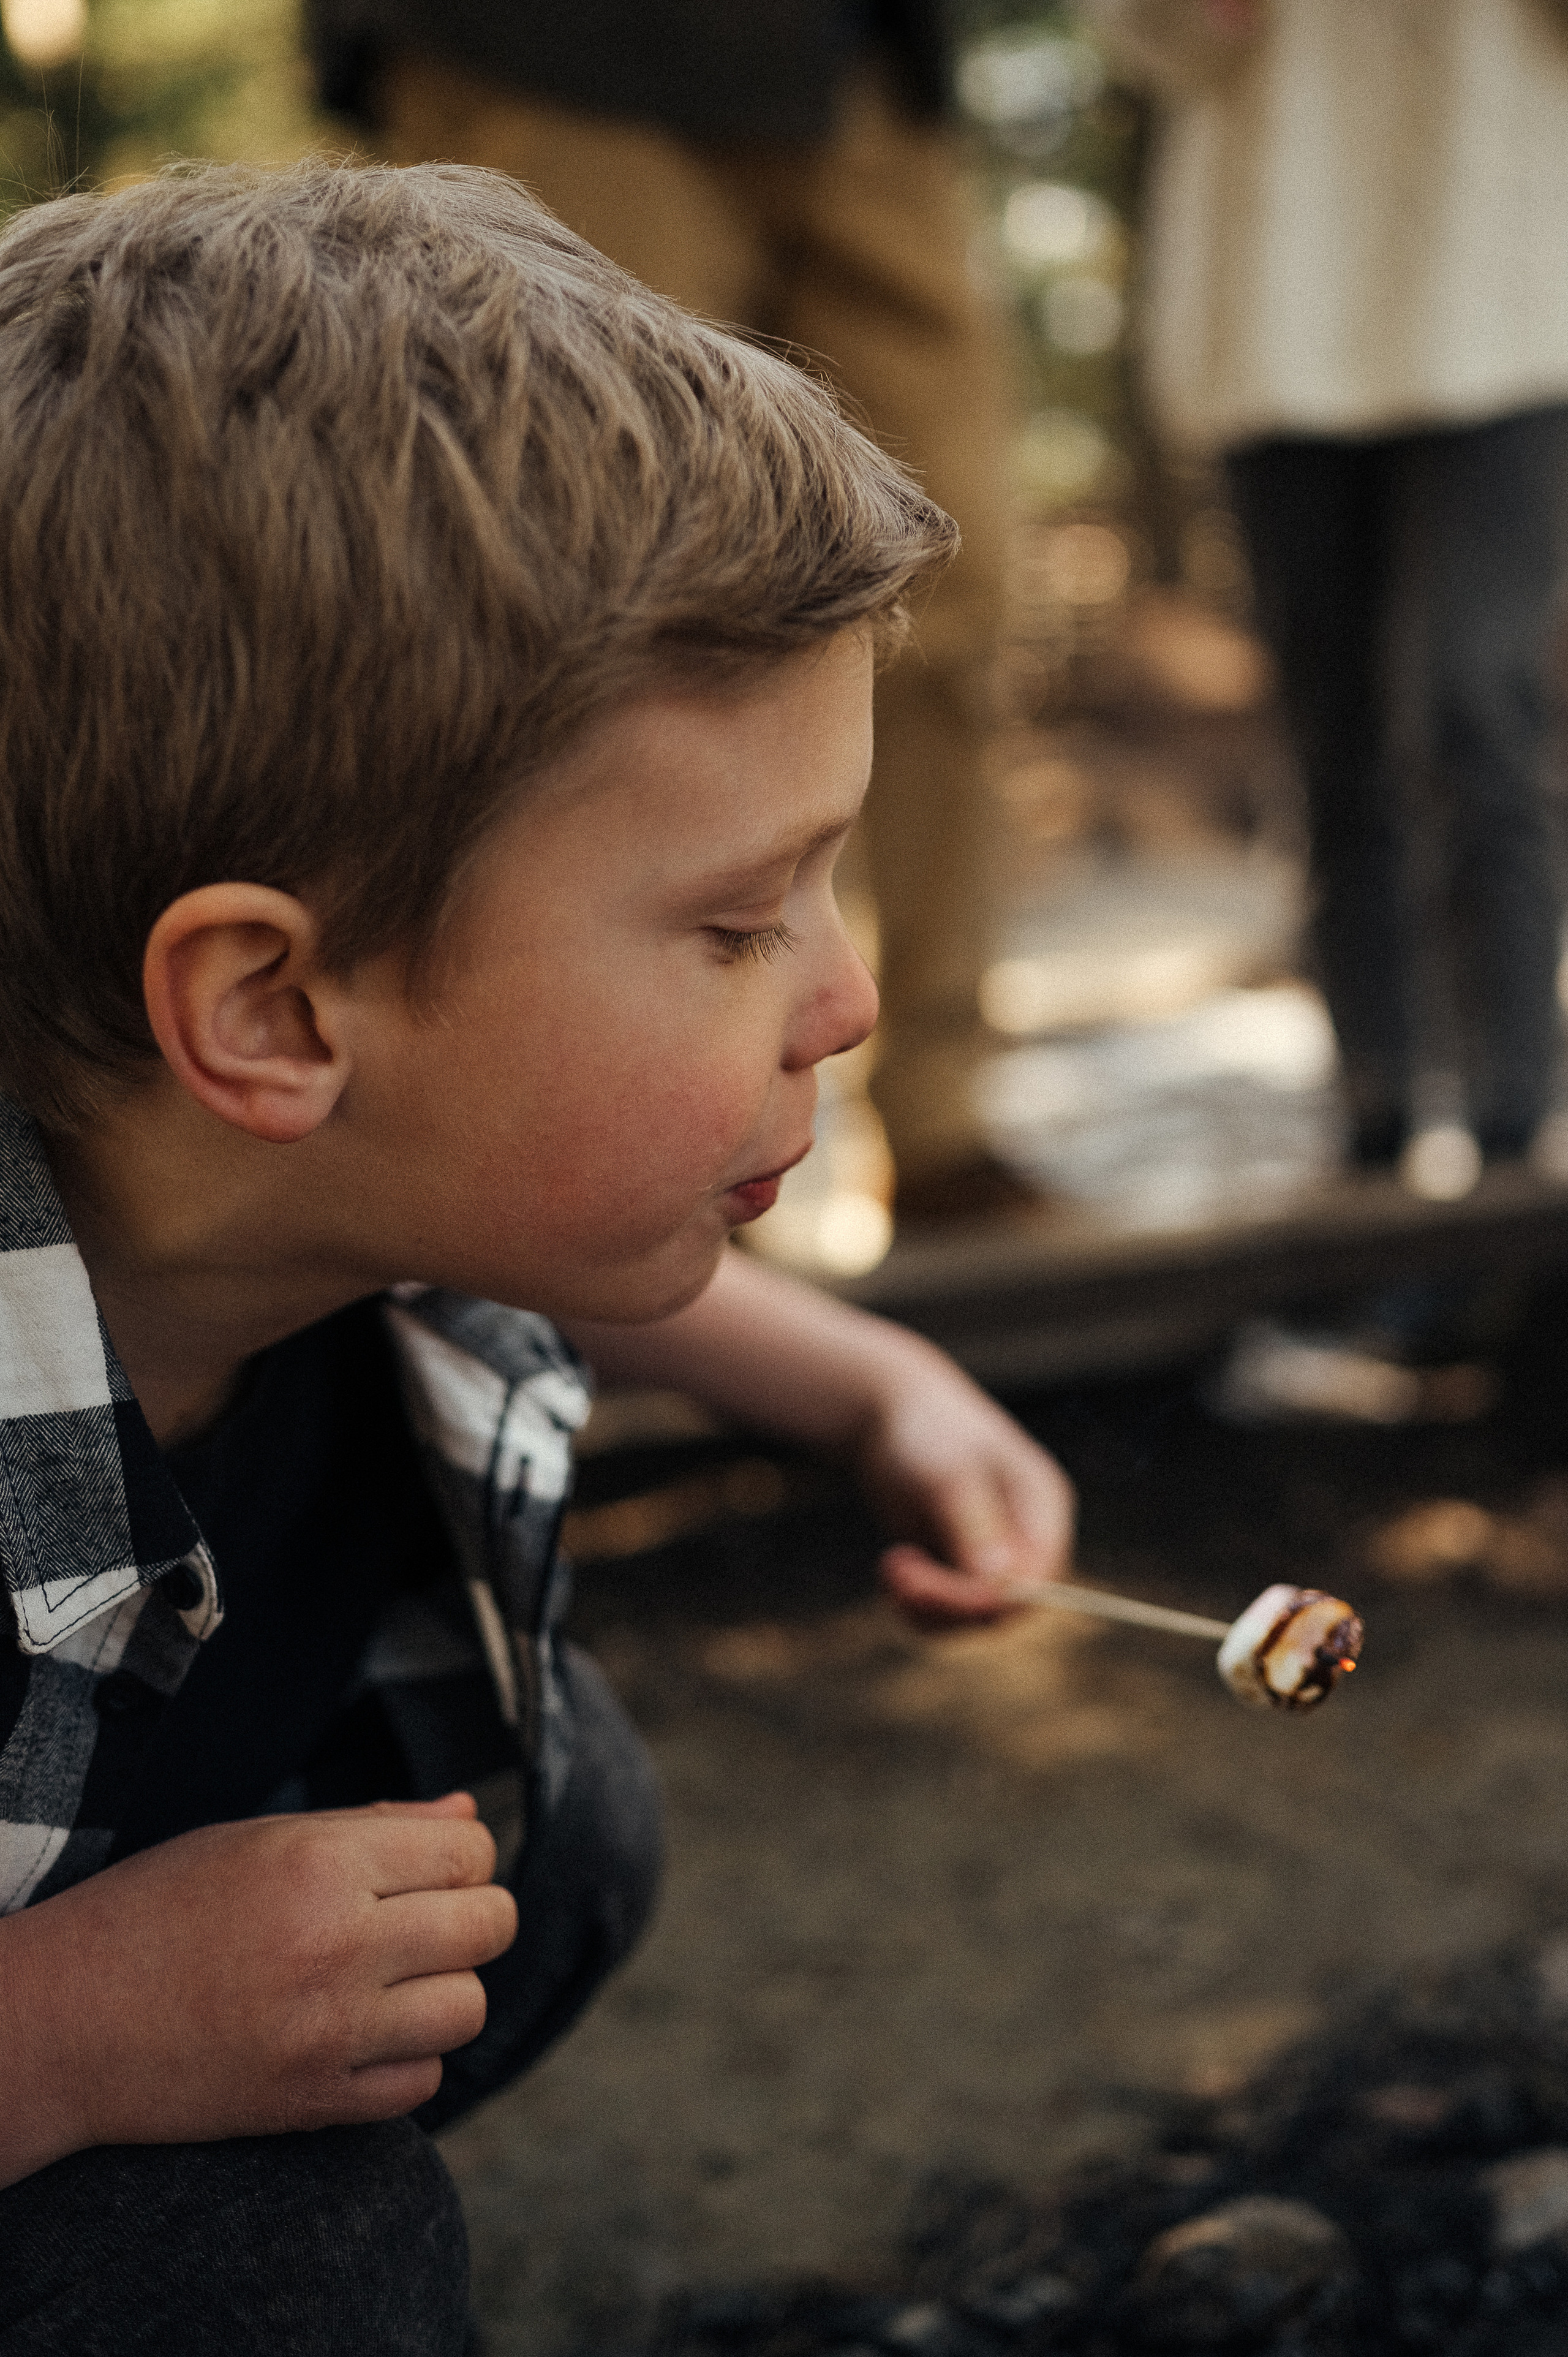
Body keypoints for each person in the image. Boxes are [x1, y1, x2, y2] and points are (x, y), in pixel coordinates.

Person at [0, 162, 1075, 2352]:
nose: (844, 996)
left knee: (552, 1819)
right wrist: (68, 2037)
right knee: (275, 2259)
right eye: (734, 920)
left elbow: (551, 1239)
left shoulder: (272, 1189)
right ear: (280, 1014)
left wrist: (877, 1390)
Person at [306, 0, 1027, 1224]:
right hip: (544, 52)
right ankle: (625, 1152)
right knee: (589, 610)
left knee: (946, 590)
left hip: (856, 65)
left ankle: (940, 1114)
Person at [1090, 0, 1568, 1190]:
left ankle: (1515, 1126)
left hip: (1502, 283)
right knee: (1330, 732)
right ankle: (1372, 1120)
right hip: (1277, 290)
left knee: (1469, 699)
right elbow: (1149, 30)